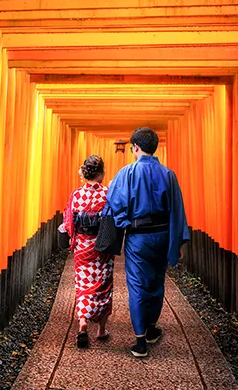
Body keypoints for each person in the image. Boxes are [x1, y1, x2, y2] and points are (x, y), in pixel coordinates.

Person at [105, 127, 190, 358]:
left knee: (137, 285)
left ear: (135, 147)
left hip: (138, 237)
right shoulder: (168, 175)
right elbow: (177, 210)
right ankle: (152, 328)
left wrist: (124, 224)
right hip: (163, 236)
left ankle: (140, 340)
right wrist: (178, 243)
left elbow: (114, 203)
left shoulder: (127, 173)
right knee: (156, 282)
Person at [59, 155, 114, 348]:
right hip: (101, 246)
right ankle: (100, 329)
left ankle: (82, 323)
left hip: (82, 245)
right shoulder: (107, 193)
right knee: (103, 283)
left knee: (83, 283)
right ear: (101, 173)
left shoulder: (76, 194)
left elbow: (68, 220)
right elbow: (113, 218)